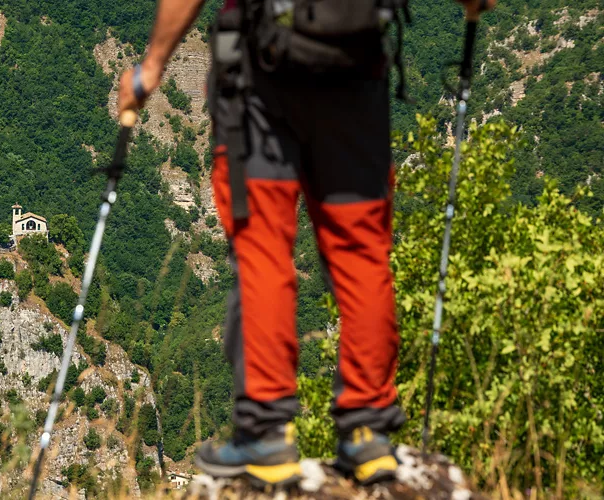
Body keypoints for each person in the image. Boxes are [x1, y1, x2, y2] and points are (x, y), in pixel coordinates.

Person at [118, 0, 494, 487]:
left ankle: (267, 431)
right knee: (362, 253)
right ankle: (368, 429)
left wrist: (152, 66)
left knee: (262, 251)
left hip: (260, 78)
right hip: (354, 72)